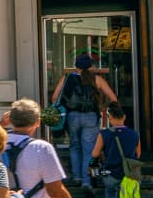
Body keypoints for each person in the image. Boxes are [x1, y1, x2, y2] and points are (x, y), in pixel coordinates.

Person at [50, 53, 118, 190]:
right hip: (91, 117)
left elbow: (54, 97)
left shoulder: (67, 78)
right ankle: (87, 181)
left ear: (76, 66)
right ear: (91, 66)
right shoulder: (97, 79)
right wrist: (103, 106)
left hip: (72, 117)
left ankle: (77, 177)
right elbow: (113, 98)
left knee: (74, 146)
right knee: (89, 150)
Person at [93, 105, 146, 198]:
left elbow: (95, 154)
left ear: (110, 119)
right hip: (130, 174)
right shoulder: (134, 134)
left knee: (110, 194)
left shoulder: (104, 134)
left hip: (110, 173)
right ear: (124, 117)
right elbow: (138, 154)